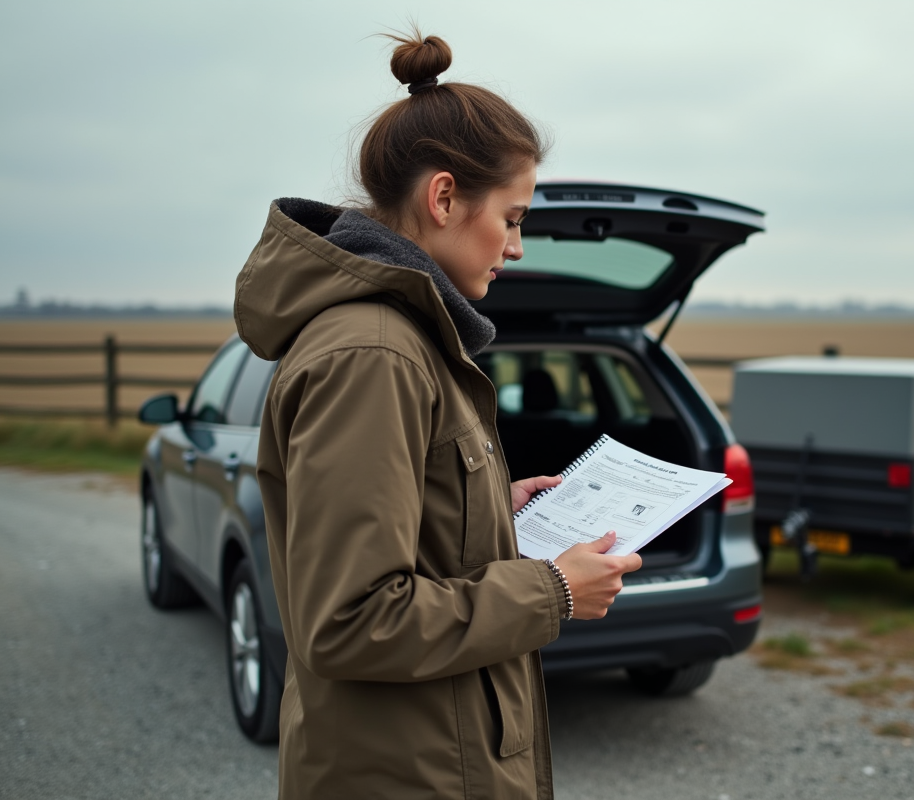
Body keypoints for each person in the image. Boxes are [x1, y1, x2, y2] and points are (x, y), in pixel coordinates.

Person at [233, 31, 643, 800]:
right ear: (445, 197)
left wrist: (493, 509)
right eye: (514, 218)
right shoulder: (375, 354)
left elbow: (404, 537)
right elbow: (351, 617)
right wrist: (551, 589)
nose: (517, 247)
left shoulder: (403, 338)